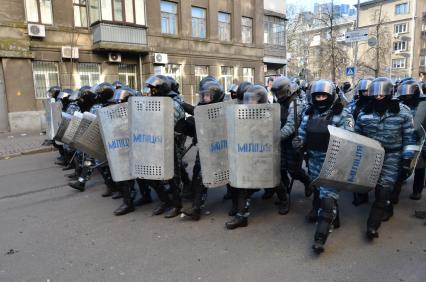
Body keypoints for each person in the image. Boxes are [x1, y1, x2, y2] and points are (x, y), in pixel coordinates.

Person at [293, 79, 354, 254]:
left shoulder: (342, 114)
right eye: (317, 96)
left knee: (327, 199)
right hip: (313, 161)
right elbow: (303, 133)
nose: (320, 99)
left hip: (333, 162)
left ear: (331, 96)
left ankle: (320, 238)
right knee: (320, 192)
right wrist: (299, 143)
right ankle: (333, 217)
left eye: (323, 95)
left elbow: (349, 138)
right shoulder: (308, 113)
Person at [355, 77, 415, 240]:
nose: (379, 98)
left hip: (392, 156)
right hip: (371, 155)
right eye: (376, 95)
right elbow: (357, 135)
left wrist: (407, 159)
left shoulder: (402, 111)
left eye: (382, 95)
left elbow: (409, 137)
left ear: (389, 93)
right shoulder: (364, 112)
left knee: (383, 190)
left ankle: (372, 226)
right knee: (372, 186)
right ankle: (387, 207)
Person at [225, 85, 271, 229]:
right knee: (242, 185)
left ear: (261, 100)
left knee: (274, 178)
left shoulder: (267, 114)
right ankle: (241, 216)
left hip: (263, 155)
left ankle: (282, 198)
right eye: (248, 99)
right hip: (246, 154)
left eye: (253, 99)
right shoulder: (243, 112)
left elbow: (269, 133)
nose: (250, 102)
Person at [182, 78, 226, 220]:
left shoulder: (221, 108)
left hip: (220, 149)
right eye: (203, 95)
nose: (204, 98)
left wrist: (184, 105)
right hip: (205, 147)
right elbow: (198, 121)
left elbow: (204, 117)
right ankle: (196, 203)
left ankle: (238, 204)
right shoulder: (202, 106)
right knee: (198, 172)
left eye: (207, 95)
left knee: (226, 177)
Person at [144, 75, 185, 218]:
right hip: (154, 142)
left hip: (170, 144)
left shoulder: (172, 104)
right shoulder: (156, 101)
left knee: (173, 177)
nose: (150, 92)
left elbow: (167, 125)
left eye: (152, 89)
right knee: (150, 175)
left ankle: (177, 205)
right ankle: (164, 201)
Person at [393, 79, 426, 201]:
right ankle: (399, 185)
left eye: (408, 95)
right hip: (403, 138)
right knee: (402, 163)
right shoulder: (399, 104)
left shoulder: (424, 104)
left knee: (419, 165)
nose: (406, 97)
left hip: (419, 139)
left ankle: (417, 190)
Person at [345, 78, 374, 206]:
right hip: (356, 139)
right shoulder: (354, 105)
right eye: (364, 91)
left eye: (368, 91)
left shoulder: (377, 104)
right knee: (357, 169)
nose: (366, 94)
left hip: (372, 140)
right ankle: (361, 194)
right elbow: (347, 118)